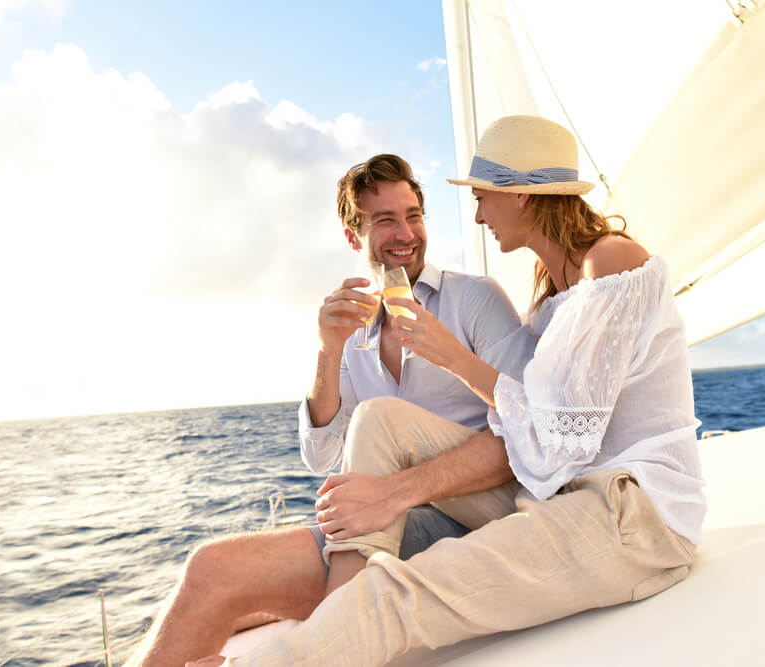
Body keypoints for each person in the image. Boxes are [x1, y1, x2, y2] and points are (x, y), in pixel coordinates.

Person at [234, 115, 707, 667]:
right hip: (561, 493)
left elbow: (565, 434)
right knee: (379, 420)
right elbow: (538, 439)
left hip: (636, 518)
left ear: (524, 198)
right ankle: (339, 620)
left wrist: (452, 359)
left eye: (484, 197)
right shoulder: (553, 288)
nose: (477, 214)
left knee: (401, 591)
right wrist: (332, 350)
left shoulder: (613, 262)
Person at [125, 154, 535, 666]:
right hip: (391, 524)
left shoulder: (474, 300)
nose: (405, 233)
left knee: (220, 574)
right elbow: (321, 457)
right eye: (384, 220)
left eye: (413, 215)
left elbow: (528, 433)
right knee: (213, 577)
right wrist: (329, 349)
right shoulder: (357, 329)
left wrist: (397, 492)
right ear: (351, 234)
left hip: (474, 521)